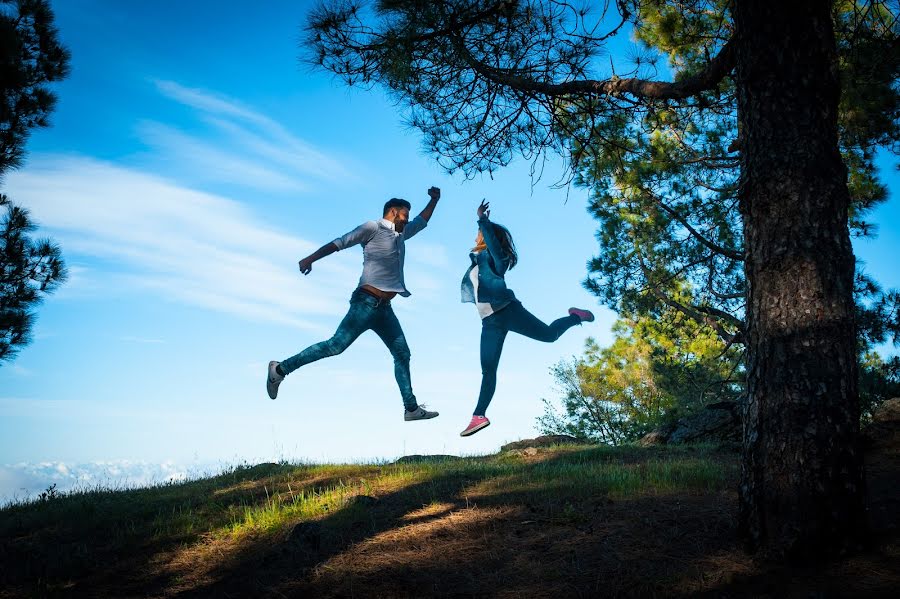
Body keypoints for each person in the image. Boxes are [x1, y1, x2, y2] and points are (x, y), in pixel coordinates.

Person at [266, 187, 442, 422]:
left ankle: (410, 409)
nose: (407, 221)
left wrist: (434, 200)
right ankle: (279, 370)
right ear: (393, 212)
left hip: (385, 310)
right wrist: (310, 258)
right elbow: (340, 243)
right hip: (365, 304)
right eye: (404, 216)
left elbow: (422, 221)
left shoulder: (401, 234)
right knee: (335, 346)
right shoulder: (373, 228)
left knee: (402, 353)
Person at [459, 200, 595, 436]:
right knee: (488, 370)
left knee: (549, 335)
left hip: (507, 310)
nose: (475, 238)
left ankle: (575, 317)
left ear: (487, 236)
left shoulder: (494, 259)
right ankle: (479, 416)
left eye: (478, 234)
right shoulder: (477, 260)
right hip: (489, 322)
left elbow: (494, 249)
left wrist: (483, 221)